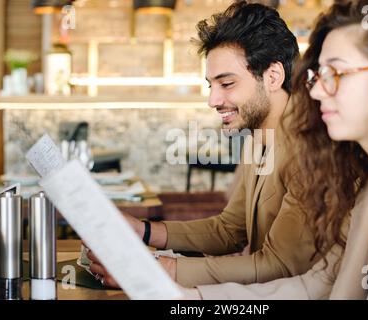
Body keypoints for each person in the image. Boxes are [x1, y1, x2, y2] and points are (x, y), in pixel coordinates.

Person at [186, 0, 368, 299]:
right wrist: (190, 299)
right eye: (319, 75)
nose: (317, 90)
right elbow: (314, 286)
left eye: (337, 73)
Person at [88, 1, 318, 288]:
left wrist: (162, 269)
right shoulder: (258, 138)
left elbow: (280, 266)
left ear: (273, 76)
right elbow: (229, 230)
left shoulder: (313, 150)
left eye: (227, 83)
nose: (213, 100)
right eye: (211, 85)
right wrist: (143, 231)